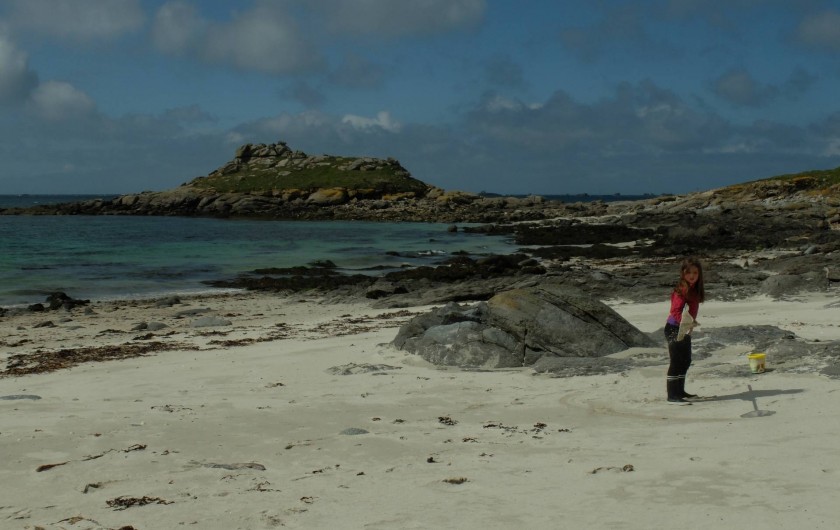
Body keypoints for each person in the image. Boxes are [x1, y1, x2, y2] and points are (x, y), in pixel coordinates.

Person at [664, 257, 705, 405]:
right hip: (674, 328)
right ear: (683, 273)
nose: (692, 276)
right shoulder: (681, 290)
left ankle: (680, 391)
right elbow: (675, 311)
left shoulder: (694, 290)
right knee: (676, 361)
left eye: (695, 272)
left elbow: (691, 311)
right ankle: (672, 395)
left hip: (686, 328)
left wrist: (690, 325)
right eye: (689, 273)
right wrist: (685, 324)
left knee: (686, 360)